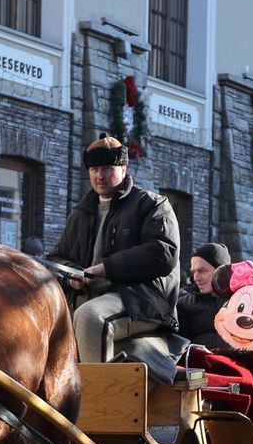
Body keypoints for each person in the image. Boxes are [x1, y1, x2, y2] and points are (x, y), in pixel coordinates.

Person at [47, 135, 180, 362]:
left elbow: (163, 253)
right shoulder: (81, 212)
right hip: (85, 296)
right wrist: (72, 276)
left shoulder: (152, 204)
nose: (100, 175)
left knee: (90, 317)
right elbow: (57, 258)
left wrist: (104, 268)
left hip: (141, 299)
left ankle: (96, 396)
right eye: (94, 169)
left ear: (123, 168)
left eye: (107, 168)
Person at [176, 242, 232, 349]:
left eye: (202, 271)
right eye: (193, 272)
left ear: (221, 270)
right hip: (199, 363)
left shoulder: (242, 299)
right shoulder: (183, 304)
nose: (196, 278)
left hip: (238, 362)